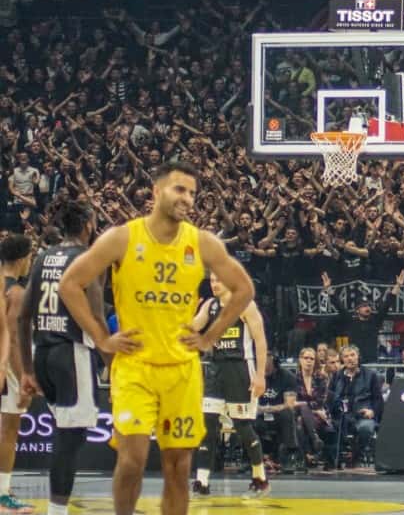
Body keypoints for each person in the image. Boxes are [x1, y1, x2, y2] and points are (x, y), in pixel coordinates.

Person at [58, 161, 254, 515]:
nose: (187, 198)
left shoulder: (202, 242)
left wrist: (210, 337)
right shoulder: (123, 237)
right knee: (132, 460)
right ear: (156, 191)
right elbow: (70, 284)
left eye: (192, 193)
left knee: (178, 467)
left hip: (181, 370)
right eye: (180, 189)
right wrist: (102, 339)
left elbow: (244, 289)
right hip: (135, 366)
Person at [17, 203, 100, 515]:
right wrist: (115, 362)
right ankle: (56, 512)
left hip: (43, 355)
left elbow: (23, 317)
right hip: (71, 352)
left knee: (67, 436)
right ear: (88, 224)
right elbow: (95, 317)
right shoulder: (87, 258)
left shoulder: (43, 256)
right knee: (70, 439)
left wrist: (27, 370)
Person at [190, 272, 269, 498]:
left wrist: (260, 375)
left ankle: (260, 479)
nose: (214, 284)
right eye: (212, 280)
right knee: (207, 424)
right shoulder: (210, 305)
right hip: (215, 369)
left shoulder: (245, 305)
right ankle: (201, 481)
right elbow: (192, 327)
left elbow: (260, 341)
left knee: (242, 427)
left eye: (219, 280)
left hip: (240, 369)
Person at [0, 234, 33, 514]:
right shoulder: (17, 293)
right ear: (23, 259)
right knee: (9, 431)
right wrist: (23, 378)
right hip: (5, 368)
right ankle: (2, 494)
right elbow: (11, 340)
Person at [326, 344, 381, 468]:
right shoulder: (337, 376)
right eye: (346, 356)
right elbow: (330, 398)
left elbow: (378, 400)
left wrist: (372, 412)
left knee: (365, 428)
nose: (350, 358)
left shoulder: (370, 375)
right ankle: (334, 458)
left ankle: (357, 454)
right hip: (341, 416)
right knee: (328, 427)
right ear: (342, 359)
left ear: (358, 356)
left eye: (352, 355)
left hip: (362, 416)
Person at [294, 347, 330, 466]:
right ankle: (314, 440)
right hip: (303, 414)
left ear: (315, 362)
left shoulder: (321, 378)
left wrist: (304, 405)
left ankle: (305, 456)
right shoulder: (294, 379)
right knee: (300, 419)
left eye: (312, 358)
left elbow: (320, 401)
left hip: (319, 416)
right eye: (306, 358)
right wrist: (310, 408)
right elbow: (293, 402)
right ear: (300, 360)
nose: (308, 361)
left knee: (300, 421)